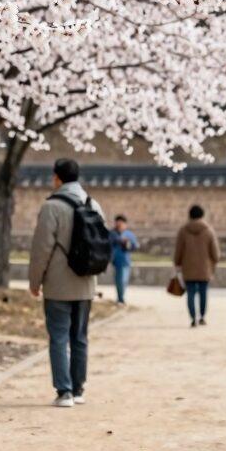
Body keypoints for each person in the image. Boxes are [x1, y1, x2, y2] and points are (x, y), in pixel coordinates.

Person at [29, 158, 106, 408]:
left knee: (59, 337)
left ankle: (64, 392)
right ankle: (79, 387)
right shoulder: (93, 203)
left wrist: (35, 281)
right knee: (80, 337)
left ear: (56, 178)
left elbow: (42, 249)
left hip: (58, 284)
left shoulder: (51, 207)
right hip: (85, 283)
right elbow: (101, 244)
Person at [173, 204, 220, 327]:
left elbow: (178, 250)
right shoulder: (209, 231)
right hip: (205, 268)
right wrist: (215, 260)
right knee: (203, 293)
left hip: (188, 268)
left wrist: (177, 262)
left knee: (191, 293)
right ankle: (202, 317)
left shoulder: (183, 231)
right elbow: (215, 253)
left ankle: (193, 318)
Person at [111, 215, 139, 305]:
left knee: (123, 280)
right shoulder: (112, 234)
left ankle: (121, 298)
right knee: (119, 280)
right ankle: (120, 298)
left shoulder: (129, 234)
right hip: (116, 261)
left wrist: (127, 243)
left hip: (126, 261)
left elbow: (136, 245)